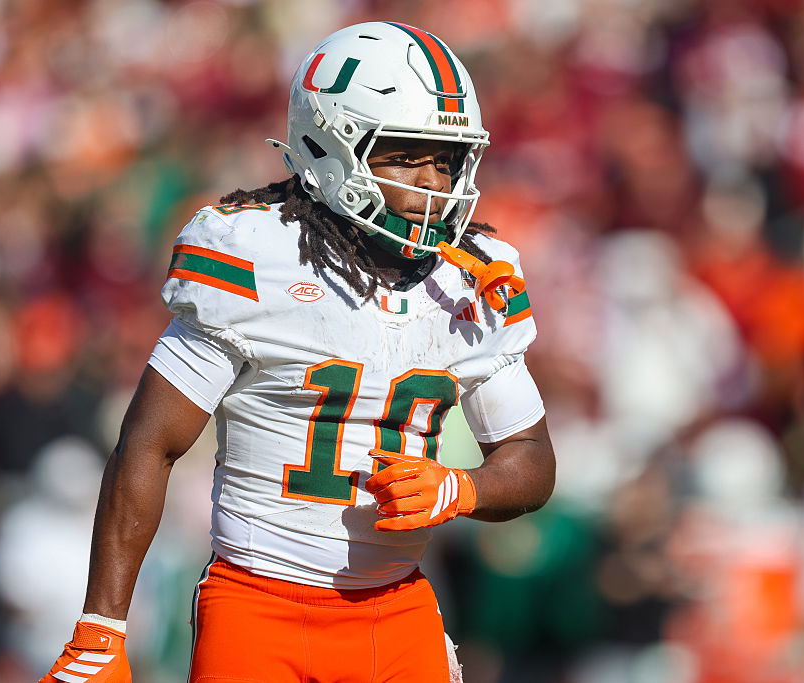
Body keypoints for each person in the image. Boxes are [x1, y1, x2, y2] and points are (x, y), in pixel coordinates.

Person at [40, 21, 555, 683]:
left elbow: (530, 458)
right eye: (407, 156)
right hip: (257, 607)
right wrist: (100, 630)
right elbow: (149, 443)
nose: (434, 182)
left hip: (395, 610)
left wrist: (463, 487)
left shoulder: (473, 279)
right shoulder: (257, 256)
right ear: (329, 147)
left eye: (446, 159)